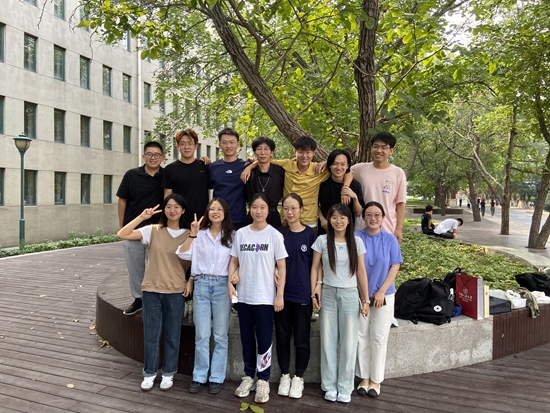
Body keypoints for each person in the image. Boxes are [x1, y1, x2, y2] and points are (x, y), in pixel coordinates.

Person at [117, 194, 190, 392]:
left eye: (177, 207)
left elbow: (197, 262)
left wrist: (191, 281)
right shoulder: (153, 230)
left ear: (183, 210)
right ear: (164, 210)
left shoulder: (190, 234)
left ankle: (169, 372)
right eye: (169, 206)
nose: (172, 210)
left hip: (175, 291)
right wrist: (142, 217)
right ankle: (149, 373)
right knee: (151, 335)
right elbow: (122, 234)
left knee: (173, 335)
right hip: (151, 290)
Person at [229, 193, 288, 404]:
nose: (258, 211)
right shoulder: (241, 234)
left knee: (263, 339)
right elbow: (234, 261)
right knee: (246, 338)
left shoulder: (274, 235)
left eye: (262, 207)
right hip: (244, 296)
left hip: (264, 296)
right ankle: (248, 376)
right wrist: (230, 281)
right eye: (254, 207)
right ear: (249, 208)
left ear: (268, 209)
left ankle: (263, 379)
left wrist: (279, 295)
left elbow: (282, 267)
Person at [311, 203, 369, 403]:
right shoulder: (321, 240)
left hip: (350, 295)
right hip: (327, 293)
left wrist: (365, 299)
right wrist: (315, 290)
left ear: (349, 220)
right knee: (327, 341)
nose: (338, 221)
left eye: (342, 217)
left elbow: (361, 272)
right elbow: (315, 267)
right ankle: (329, 386)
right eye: (334, 217)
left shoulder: (357, 242)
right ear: (329, 220)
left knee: (349, 343)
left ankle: (345, 386)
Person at [176, 198, 235, 395]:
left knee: (220, 335)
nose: (215, 212)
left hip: (222, 286)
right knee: (201, 335)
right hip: (201, 285)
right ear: (207, 212)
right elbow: (183, 254)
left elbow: (238, 261)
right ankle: (199, 375)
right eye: (212, 209)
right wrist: (192, 234)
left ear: (225, 213)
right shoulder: (199, 234)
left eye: (219, 209)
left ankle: (216, 377)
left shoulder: (233, 236)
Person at [242, 136, 352, 229]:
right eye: (301, 152)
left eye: (308, 152)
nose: (304, 156)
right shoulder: (287, 164)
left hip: (309, 221)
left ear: (314, 153)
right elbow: (265, 161)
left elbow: (348, 171)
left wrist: (345, 188)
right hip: (287, 219)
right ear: (295, 152)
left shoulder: (319, 169)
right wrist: (249, 167)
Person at [355, 202, 402, 398]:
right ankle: (364, 377)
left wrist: (382, 291)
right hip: (361, 296)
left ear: (383, 218)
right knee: (361, 337)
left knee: (379, 337)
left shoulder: (390, 239)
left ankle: (376, 380)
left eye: (377, 215)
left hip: (384, 295)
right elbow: (354, 267)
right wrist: (364, 296)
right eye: (369, 215)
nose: (373, 218)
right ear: (363, 217)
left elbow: (395, 266)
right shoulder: (356, 237)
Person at [275, 194, 316, 399]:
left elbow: (316, 267)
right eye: (286, 208)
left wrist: (315, 291)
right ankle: (285, 375)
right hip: (281, 295)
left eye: (293, 208)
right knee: (282, 337)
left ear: (301, 209)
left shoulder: (311, 235)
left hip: (302, 295)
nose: (289, 212)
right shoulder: (278, 234)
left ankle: (299, 377)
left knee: (301, 339)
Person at [116, 141, 165, 316]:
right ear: (144, 156)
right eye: (149, 154)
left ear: (162, 157)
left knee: (157, 267)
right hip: (134, 230)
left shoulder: (166, 176)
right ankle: (139, 299)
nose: (153, 157)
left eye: (157, 154)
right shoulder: (131, 175)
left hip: (157, 231)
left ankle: (157, 298)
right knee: (135, 268)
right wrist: (122, 225)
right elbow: (122, 200)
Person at [351, 132, 407, 243]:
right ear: (371, 148)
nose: (379, 150)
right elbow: (341, 170)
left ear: (391, 151)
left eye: (384, 147)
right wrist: (326, 163)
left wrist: (399, 229)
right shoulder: (359, 169)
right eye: (375, 146)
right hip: (361, 227)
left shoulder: (398, 173)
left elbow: (400, 203)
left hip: (387, 227)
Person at [162, 129, 210, 225]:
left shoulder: (205, 167)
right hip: (178, 222)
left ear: (196, 146)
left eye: (190, 143)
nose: (186, 147)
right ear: (177, 146)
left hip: (201, 222)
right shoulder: (170, 169)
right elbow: (167, 198)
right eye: (182, 144)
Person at [209, 128, 249, 229]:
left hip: (239, 218)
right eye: (224, 142)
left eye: (232, 142)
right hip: (218, 218)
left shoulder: (245, 166)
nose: (228, 146)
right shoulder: (212, 167)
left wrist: (252, 165)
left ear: (238, 144)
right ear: (219, 145)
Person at [318, 149, 364, 235]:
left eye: (343, 164)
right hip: (325, 229)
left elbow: (358, 213)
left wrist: (354, 197)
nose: (339, 167)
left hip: (347, 232)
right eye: (335, 164)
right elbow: (315, 203)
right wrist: (322, 219)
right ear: (329, 165)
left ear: (347, 166)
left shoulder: (355, 185)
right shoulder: (322, 183)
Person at [245, 136, 285, 227]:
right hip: (253, 217)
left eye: (266, 149)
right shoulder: (248, 172)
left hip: (273, 217)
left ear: (272, 152)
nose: (263, 153)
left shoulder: (280, 171)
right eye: (259, 149)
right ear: (255, 152)